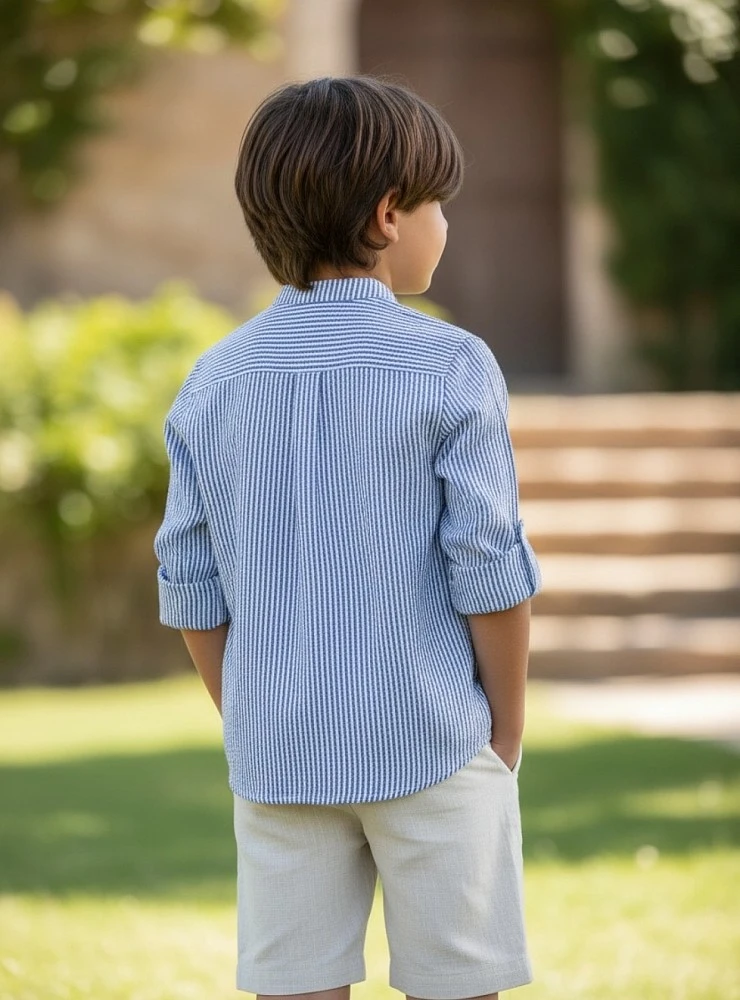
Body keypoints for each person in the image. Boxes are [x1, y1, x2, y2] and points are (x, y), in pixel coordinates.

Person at [153, 74, 543, 1000]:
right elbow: (488, 567)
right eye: (438, 203)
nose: (447, 224)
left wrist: (253, 713)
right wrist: (505, 731)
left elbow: (191, 582)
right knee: (460, 986)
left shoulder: (215, 379)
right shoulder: (451, 365)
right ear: (388, 214)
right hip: (434, 738)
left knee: (295, 988)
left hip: (278, 755)